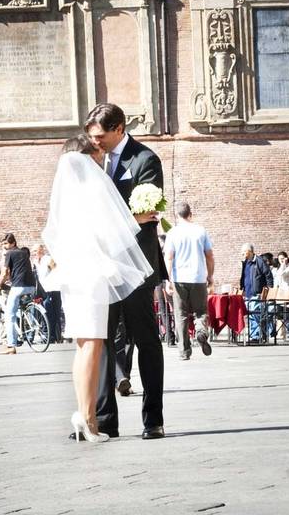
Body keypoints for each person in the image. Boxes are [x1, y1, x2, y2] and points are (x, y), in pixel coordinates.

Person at [43, 134, 153, 443]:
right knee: (92, 345)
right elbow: (112, 234)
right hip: (91, 274)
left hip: (72, 275)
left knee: (81, 346)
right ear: (86, 159)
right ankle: (88, 419)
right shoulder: (92, 189)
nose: (100, 160)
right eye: (95, 156)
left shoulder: (67, 196)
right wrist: (140, 218)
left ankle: (83, 412)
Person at [84, 102, 166, 440]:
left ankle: (153, 420)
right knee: (101, 341)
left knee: (146, 341)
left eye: (101, 136)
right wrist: (127, 220)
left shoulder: (145, 160)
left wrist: (123, 221)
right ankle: (106, 421)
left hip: (136, 268)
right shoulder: (89, 162)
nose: (96, 142)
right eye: (92, 137)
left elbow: (150, 211)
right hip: (102, 267)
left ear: (119, 129)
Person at [163, 201, 214, 360]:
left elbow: (169, 258)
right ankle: (201, 331)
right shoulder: (201, 231)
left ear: (177, 216)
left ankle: (184, 351)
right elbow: (209, 256)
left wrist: (167, 280)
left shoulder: (173, 232)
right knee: (201, 311)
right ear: (190, 214)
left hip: (179, 279)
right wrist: (210, 276)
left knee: (181, 314)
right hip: (198, 278)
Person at [0, 233, 35, 354]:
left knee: (9, 316)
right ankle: (27, 326)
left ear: (13, 243)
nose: (4, 246)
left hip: (18, 287)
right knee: (20, 307)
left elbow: (4, 272)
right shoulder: (24, 253)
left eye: (6, 243)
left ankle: (11, 345)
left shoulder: (9, 253)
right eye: (3, 244)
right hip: (31, 286)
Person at [239, 244, 273, 341]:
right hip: (248, 293)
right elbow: (244, 277)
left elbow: (268, 275)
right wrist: (242, 288)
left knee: (256, 314)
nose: (242, 253)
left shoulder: (259, 261)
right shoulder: (245, 262)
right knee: (251, 315)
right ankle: (255, 335)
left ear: (249, 251)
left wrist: (268, 289)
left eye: (243, 251)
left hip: (256, 293)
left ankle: (257, 336)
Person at [34, 244, 62, 344]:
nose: (34, 253)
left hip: (53, 289)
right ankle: (50, 336)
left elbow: (57, 271)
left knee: (54, 313)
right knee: (47, 313)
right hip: (44, 290)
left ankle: (56, 336)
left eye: (35, 251)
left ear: (41, 250)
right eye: (33, 251)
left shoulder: (48, 259)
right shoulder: (35, 262)